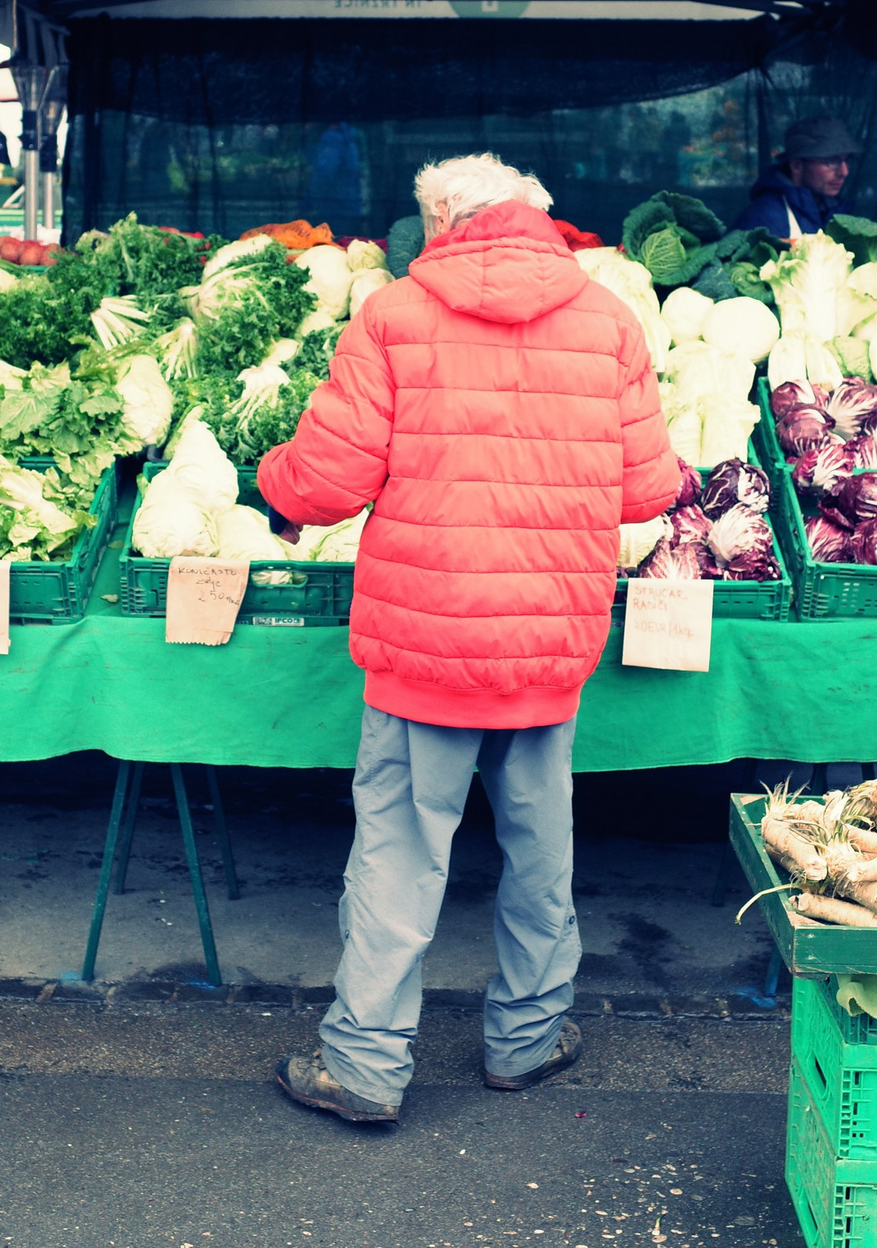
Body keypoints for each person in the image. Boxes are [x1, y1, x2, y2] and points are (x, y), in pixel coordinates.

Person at [256, 154, 677, 1126]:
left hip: (425, 645)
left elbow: (322, 480)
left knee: (400, 853)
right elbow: (650, 490)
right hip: (546, 639)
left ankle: (363, 1065)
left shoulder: (396, 315)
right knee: (540, 845)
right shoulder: (606, 318)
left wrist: (272, 487)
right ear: (537, 215)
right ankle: (526, 1040)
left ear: (444, 218)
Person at [733, 116, 861, 239]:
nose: (844, 172)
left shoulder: (833, 211)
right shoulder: (764, 218)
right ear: (796, 166)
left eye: (846, 161)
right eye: (832, 161)